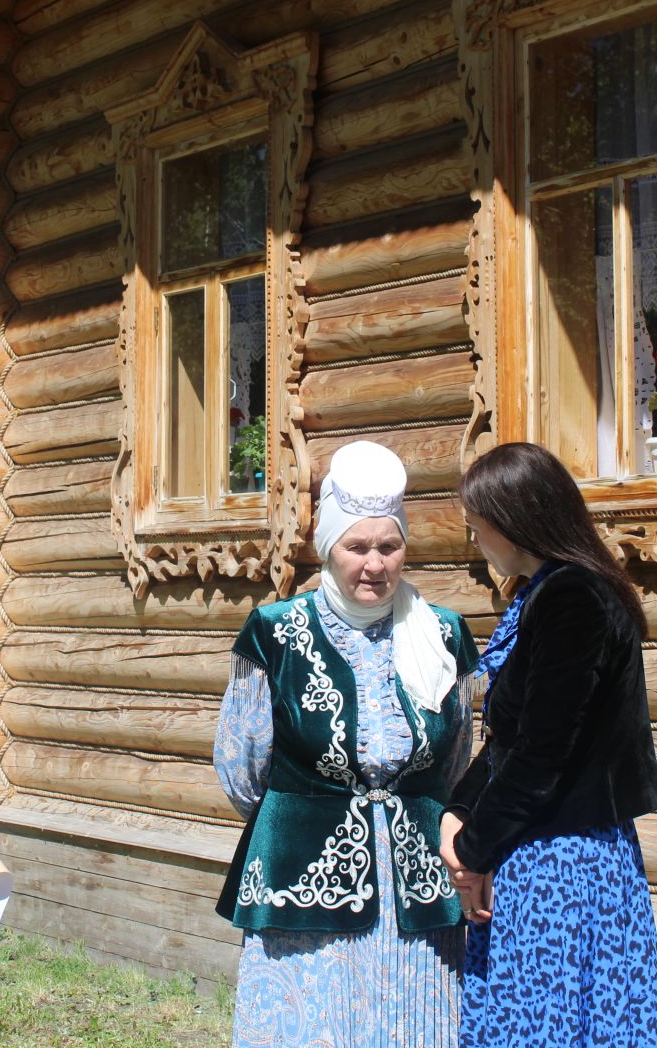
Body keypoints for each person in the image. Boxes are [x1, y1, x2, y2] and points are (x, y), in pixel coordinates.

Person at [214, 440, 480, 1047]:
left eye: (389, 547)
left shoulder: (440, 633)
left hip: (417, 888)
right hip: (301, 874)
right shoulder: (275, 632)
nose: (375, 564)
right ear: (327, 546)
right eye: (356, 547)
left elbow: (456, 758)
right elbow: (242, 768)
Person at [439, 442, 657, 1047]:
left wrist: (472, 849)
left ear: (513, 523)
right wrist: (459, 811)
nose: (476, 543)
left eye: (478, 528)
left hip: (563, 863)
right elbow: (510, 740)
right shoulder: (544, 593)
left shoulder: (573, 600)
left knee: (550, 1022)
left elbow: (544, 754)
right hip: (539, 846)